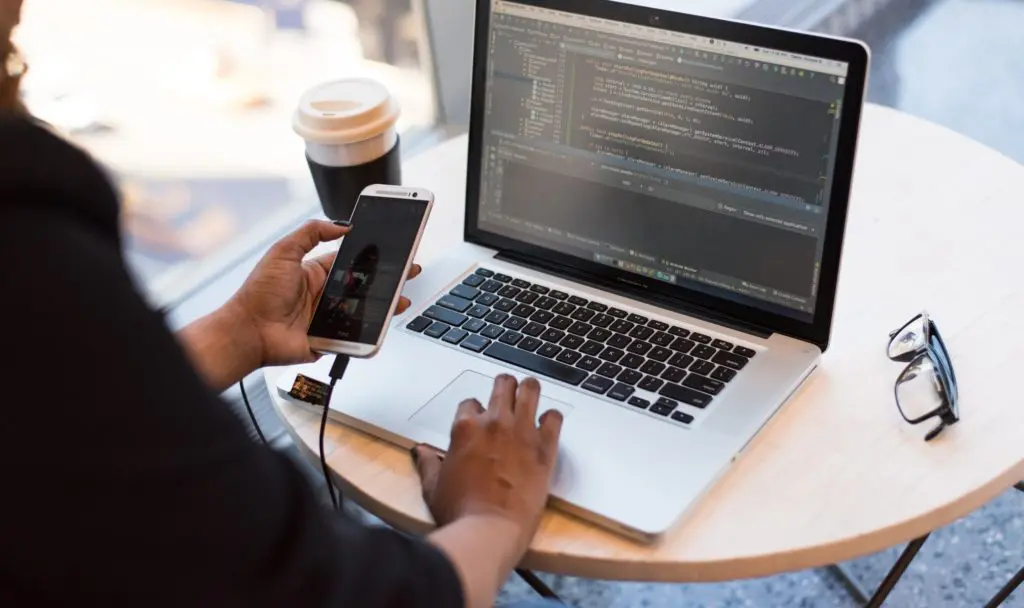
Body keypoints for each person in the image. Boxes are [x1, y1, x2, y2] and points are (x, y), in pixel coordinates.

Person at [0, 2, 563, 606]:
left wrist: (240, 331)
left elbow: (73, 409)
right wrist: (491, 519)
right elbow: (328, 591)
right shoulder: (26, 245)